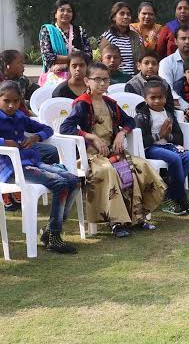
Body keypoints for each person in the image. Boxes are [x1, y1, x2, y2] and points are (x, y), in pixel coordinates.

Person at [58, 63, 167, 238]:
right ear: (87, 81)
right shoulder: (82, 104)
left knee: (138, 166)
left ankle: (138, 218)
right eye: (97, 79)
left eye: (105, 79)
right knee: (108, 171)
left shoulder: (110, 103)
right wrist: (91, 137)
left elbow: (130, 122)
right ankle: (115, 222)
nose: (102, 83)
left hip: (113, 152)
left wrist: (122, 133)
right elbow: (66, 127)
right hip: (93, 156)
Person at [0, 82, 80, 253]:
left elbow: (47, 129)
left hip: (31, 163)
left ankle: (51, 229)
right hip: (11, 169)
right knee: (59, 183)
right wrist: (4, 142)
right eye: (6, 101)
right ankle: (54, 236)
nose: (11, 105)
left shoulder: (20, 116)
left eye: (15, 101)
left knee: (73, 179)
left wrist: (36, 137)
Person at [133, 79, 189, 215]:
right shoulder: (142, 116)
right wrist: (159, 135)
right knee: (174, 158)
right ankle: (180, 198)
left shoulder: (168, 113)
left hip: (167, 145)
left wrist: (167, 136)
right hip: (150, 149)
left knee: (188, 156)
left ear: (165, 97)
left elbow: (179, 137)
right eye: (153, 98)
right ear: (145, 98)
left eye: (160, 97)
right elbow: (141, 141)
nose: (157, 101)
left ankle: (170, 195)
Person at [39, 0, 92, 74]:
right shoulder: (47, 31)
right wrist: (75, 58)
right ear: (55, 14)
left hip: (78, 74)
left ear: (72, 15)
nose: (66, 13)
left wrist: (65, 65)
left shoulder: (80, 31)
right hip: (55, 75)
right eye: (62, 10)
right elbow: (48, 57)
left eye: (69, 11)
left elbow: (88, 56)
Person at [101, 2, 145, 81]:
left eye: (128, 14)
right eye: (122, 14)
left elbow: (143, 60)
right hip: (114, 81)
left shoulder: (136, 37)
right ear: (114, 17)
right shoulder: (108, 37)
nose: (126, 17)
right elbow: (104, 62)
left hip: (135, 80)